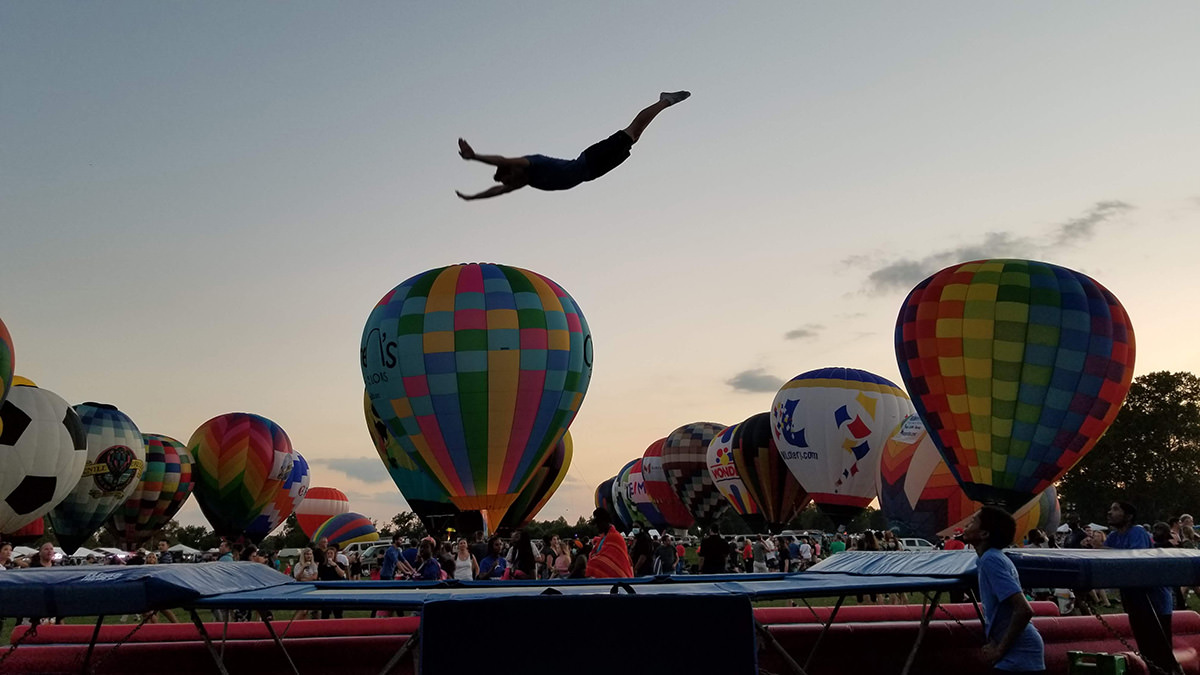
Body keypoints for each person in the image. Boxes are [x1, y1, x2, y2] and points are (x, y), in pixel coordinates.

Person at [455, 90, 691, 200]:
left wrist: (474, 157)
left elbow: (502, 161)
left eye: (508, 180)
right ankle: (663, 102)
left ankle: (664, 101)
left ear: (512, 172)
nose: (509, 185)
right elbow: (498, 190)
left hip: (589, 160)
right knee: (633, 138)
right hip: (593, 172)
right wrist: (472, 198)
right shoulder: (527, 180)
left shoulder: (530, 163)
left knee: (632, 133)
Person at [962, 506, 1045, 673]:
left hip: (1020, 656)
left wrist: (999, 649)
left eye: (972, 522)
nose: (966, 525)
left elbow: (1024, 610)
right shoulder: (988, 559)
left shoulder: (991, 560)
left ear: (984, 534)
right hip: (1018, 653)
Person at [1104, 501, 1182, 674]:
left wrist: (1102, 549)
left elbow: (1134, 559)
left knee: (1160, 651)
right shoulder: (1114, 537)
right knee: (1146, 649)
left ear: (1129, 516)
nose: (1110, 513)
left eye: (1115, 509)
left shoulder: (1137, 531)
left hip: (1153, 601)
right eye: (1110, 509)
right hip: (1133, 600)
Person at [585, 508, 633, 579]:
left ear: (605, 522)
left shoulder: (615, 538)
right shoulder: (603, 538)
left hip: (617, 580)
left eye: (598, 523)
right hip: (605, 580)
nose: (596, 526)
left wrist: (593, 562)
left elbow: (606, 559)